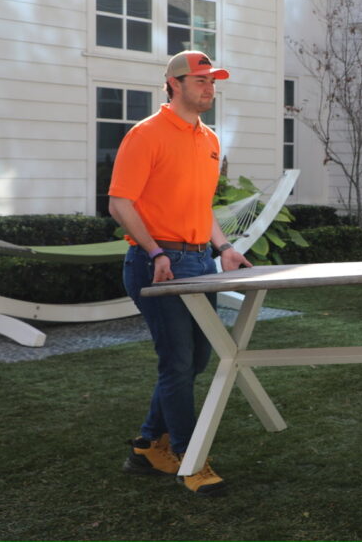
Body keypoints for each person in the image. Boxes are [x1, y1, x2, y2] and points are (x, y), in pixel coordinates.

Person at [108, 50, 252, 496]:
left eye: (212, 82)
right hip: (158, 263)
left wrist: (224, 247)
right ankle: (192, 461)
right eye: (200, 81)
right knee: (177, 363)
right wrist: (154, 252)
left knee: (198, 360)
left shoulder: (208, 139)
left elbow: (200, 207)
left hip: (198, 261)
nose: (209, 88)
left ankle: (148, 446)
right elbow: (120, 203)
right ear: (173, 84)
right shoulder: (145, 135)